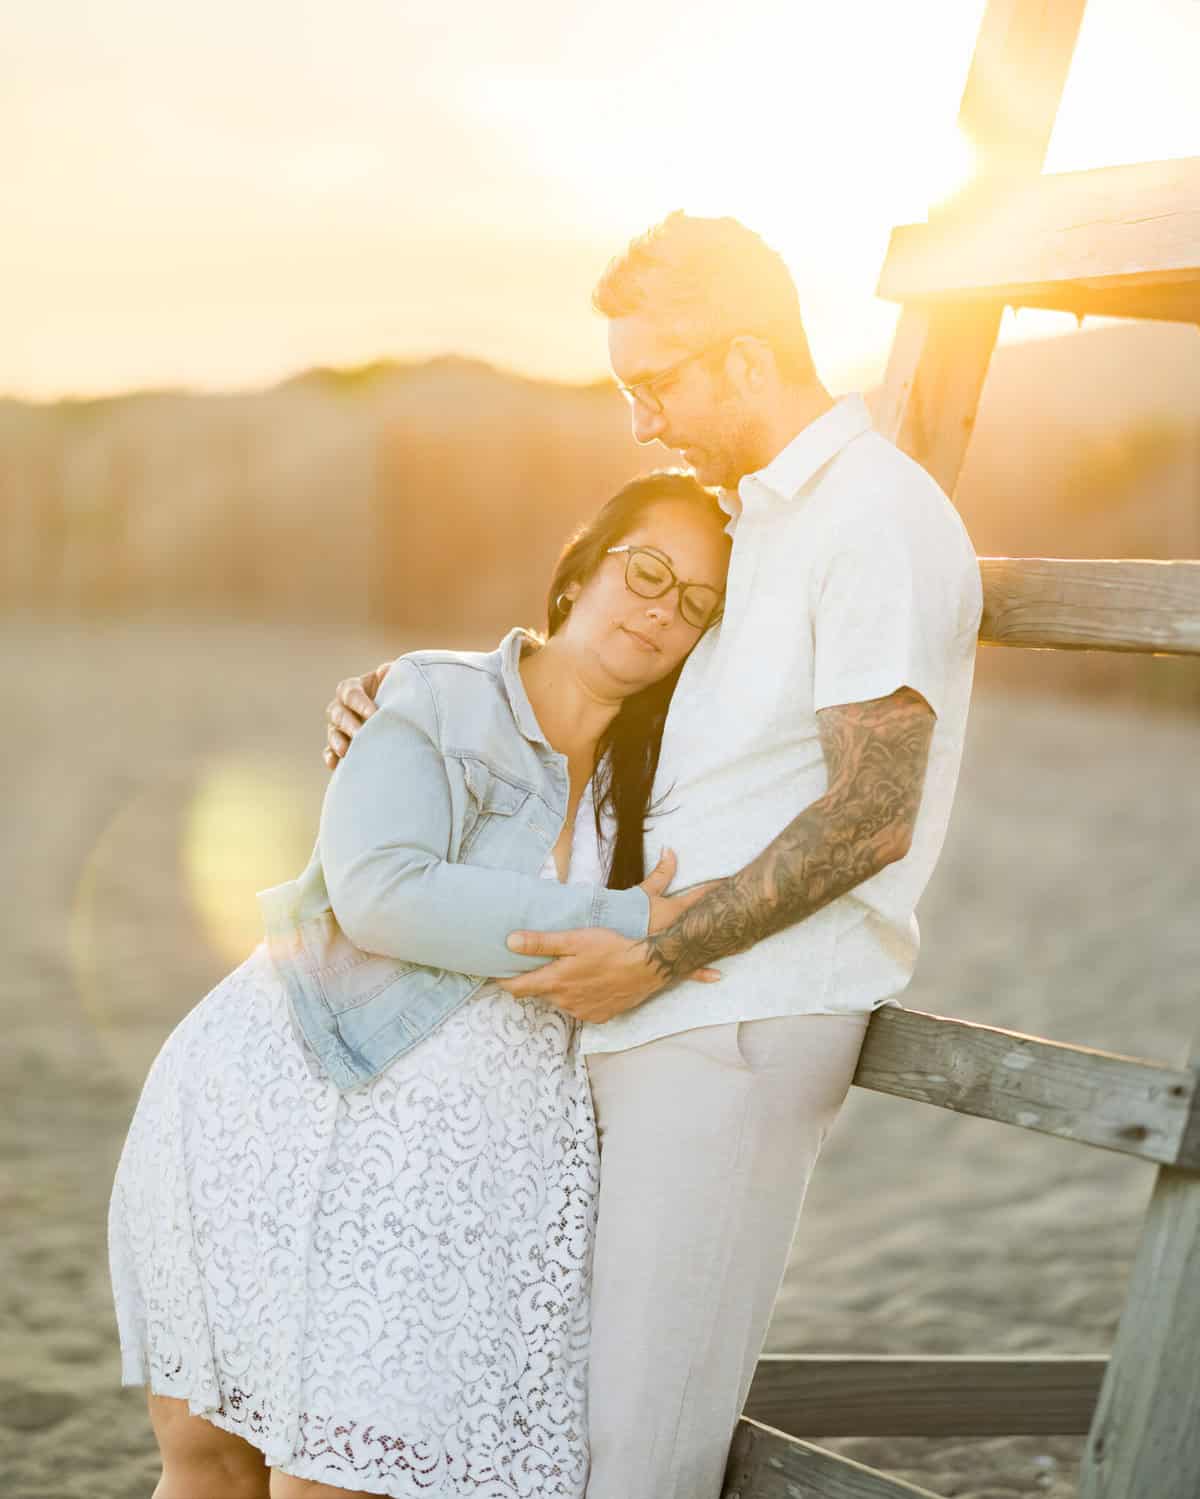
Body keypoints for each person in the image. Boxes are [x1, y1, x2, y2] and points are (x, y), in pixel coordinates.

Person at [325, 212, 984, 1499]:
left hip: (735, 1019)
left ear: (744, 362)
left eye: (656, 382)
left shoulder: (874, 518)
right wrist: (413, 695)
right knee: (565, 1423)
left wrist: (658, 950)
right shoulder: (763, 522)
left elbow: (873, 809)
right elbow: (620, 678)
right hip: (664, 1007)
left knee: (640, 1450)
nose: (641, 419)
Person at [108, 471, 732, 1499]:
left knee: (342, 1477)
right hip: (284, 1105)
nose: (664, 606)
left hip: (462, 1183)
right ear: (579, 574)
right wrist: (627, 921)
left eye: (697, 603)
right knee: (215, 1458)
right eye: (648, 570)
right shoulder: (440, 697)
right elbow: (382, 894)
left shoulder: (666, 772)